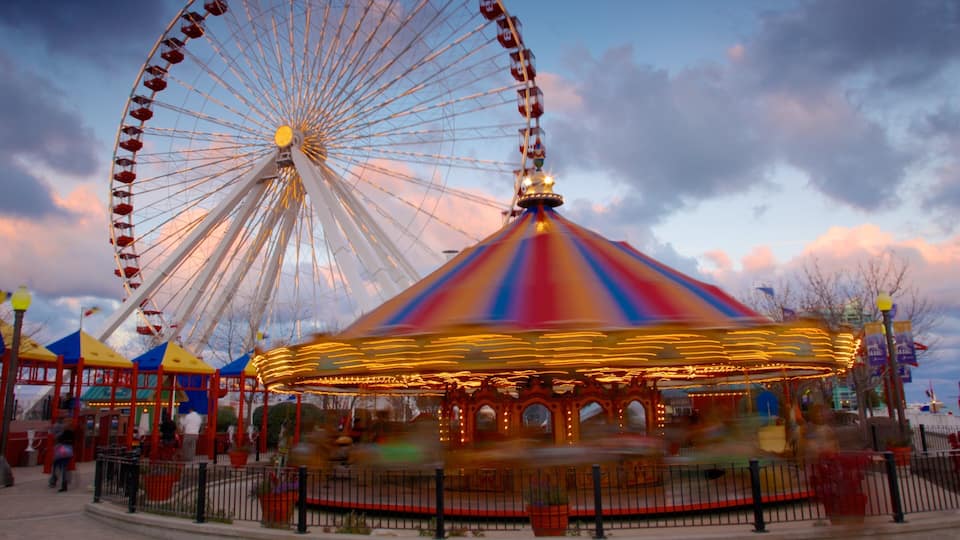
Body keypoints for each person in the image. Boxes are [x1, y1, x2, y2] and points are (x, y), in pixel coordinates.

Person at [49, 423, 75, 492]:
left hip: (62, 451)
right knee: (64, 468)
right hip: (69, 451)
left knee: (57, 466)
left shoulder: (63, 434)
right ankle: (64, 484)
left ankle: (54, 481)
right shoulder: (72, 433)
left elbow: (57, 439)